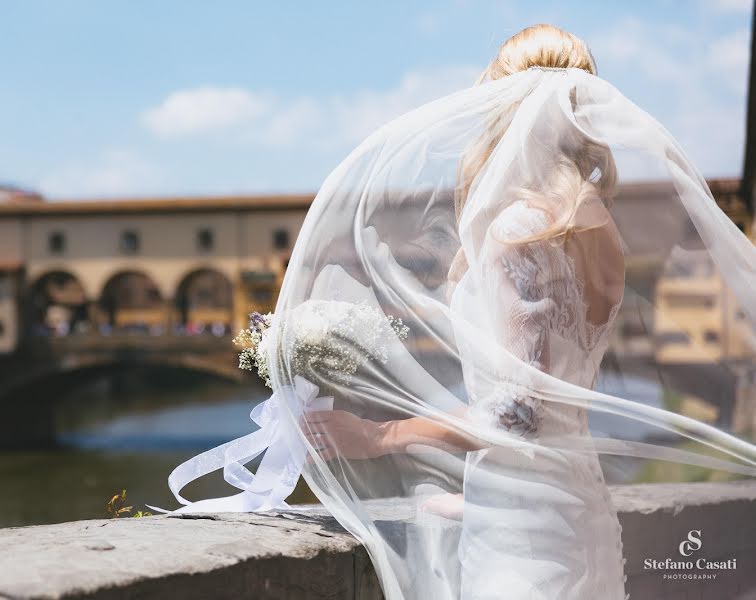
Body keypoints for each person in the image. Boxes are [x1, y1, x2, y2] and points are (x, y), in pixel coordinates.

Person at [159, 24, 756, 599]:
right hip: (575, 506)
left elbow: (518, 412)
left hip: (525, 535)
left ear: (501, 101)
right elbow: (558, 407)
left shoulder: (523, 228)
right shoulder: (596, 227)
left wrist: (378, 433)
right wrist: (476, 498)